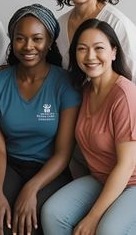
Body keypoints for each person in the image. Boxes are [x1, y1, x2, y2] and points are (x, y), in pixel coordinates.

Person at [0, 4, 81, 235]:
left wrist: (31, 189)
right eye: (20, 39)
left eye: (37, 39)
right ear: (12, 41)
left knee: (30, 220)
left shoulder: (64, 85)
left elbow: (63, 153)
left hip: (49, 169)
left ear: (49, 43)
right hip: (8, 165)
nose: (28, 47)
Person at [42, 19, 136, 235]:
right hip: (100, 178)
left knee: (108, 230)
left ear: (113, 52)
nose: (90, 56)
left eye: (98, 48)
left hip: (131, 182)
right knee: (52, 212)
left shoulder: (124, 94)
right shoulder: (82, 91)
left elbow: (126, 164)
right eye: (82, 49)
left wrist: (93, 217)